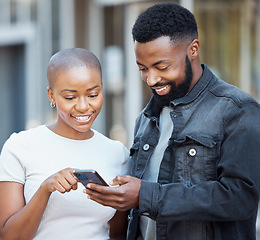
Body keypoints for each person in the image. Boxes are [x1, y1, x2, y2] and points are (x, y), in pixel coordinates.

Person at [84, 3, 260, 240]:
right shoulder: (145, 119)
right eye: (142, 69)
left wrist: (146, 195)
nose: (151, 79)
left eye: (162, 67)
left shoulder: (237, 110)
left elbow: (239, 198)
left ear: (193, 50)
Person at [0, 48, 129, 240]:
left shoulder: (118, 153)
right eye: (70, 97)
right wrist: (46, 189)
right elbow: (9, 236)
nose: (84, 106)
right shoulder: (20, 146)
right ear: (51, 96)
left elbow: (118, 234)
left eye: (93, 94)